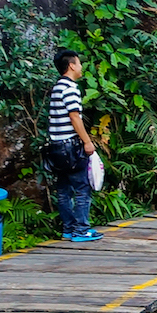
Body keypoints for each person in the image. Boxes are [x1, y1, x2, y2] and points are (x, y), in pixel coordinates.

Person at [45, 49, 101, 242]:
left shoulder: (57, 87)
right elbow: (74, 116)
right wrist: (87, 142)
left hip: (56, 146)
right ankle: (81, 229)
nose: (81, 67)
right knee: (82, 188)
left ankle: (68, 228)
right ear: (71, 65)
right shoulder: (70, 88)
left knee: (63, 189)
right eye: (79, 63)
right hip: (70, 146)